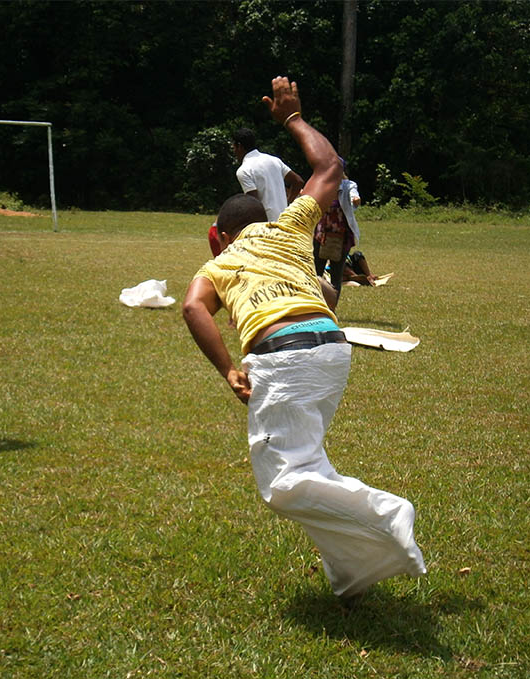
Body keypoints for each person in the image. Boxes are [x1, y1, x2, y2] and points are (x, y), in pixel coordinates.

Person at [183, 77, 426, 600]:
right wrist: (293, 120)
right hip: (331, 350)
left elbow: (192, 306)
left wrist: (228, 368)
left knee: (282, 485)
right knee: (308, 464)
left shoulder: (220, 260)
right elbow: (330, 170)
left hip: (283, 357)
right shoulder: (291, 228)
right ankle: (353, 573)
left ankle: (389, 511)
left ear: (219, 234)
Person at [233, 127, 305, 223]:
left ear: (239, 146)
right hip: (285, 221)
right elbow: (298, 181)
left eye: (233, 147)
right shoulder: (274, 160)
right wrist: (287, 202)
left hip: (266, 225)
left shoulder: (244, 170)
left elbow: (253, 204)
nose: (234, 151)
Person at [313, 168, 362, 295]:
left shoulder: (348, 186)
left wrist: (356, 200)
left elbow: (354, 197)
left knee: (336, 276)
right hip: (321, 236)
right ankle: (314, 305)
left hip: (341, 238)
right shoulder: (321, 184)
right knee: (315, 274)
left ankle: (332, 308)